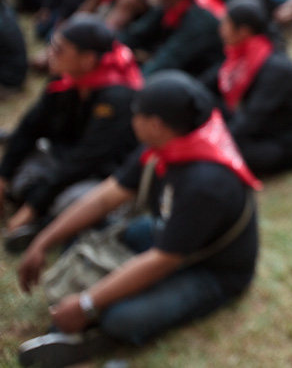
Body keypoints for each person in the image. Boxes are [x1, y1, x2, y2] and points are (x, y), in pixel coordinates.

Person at [16, 70, 261, 367]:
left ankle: (99, 334)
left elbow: (163, 260)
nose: (132, 119)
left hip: (211, 269)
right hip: (170, 234)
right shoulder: (167, 146)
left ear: (156, 124)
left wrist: (86, 305)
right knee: (107, 234)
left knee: (122, 319)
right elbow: (105, 197)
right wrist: (43, 241)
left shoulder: (205, 183)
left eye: (136, 113)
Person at [0, 15, 141, 251]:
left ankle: (48, 222)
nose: (50, 53)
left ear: (87, 60)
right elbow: (30, 127)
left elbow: (88, 159)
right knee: (20, 173)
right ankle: (43, 209)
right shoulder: (66, 78)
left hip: (100, 174)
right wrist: (2, 177)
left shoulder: (117, 97)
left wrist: (33, 206)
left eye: (60, 49)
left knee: (74, 202)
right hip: (62, 158)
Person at [208, 0, 292, 175]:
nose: (220, 29)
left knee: (224, 153)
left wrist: (214, 141)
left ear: (243, 31)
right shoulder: (241, 55)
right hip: (266, 130)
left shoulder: (275, 68)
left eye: (225, 23)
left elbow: (250, 120)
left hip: (290, 145)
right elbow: (210, 84)